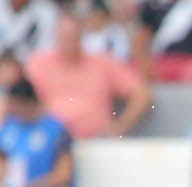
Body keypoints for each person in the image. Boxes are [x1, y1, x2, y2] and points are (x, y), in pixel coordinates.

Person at [26, 10, 149, 140]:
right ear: (56, 35)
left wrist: (121, 125)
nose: (68, 40)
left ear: (81, 35)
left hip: (96, 141)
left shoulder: (102, 63)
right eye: (64, 35)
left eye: (72, 35)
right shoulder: (39, 64)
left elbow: (142, 93)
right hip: (51, 143)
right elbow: (18, 99)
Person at [0, 78, 75, 187]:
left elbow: (64, 174)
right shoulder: (5, 130)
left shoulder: (56, 130)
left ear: (28, 102)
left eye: (13, 104)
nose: (9, 109)